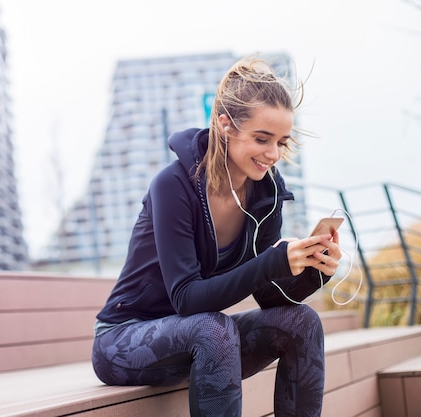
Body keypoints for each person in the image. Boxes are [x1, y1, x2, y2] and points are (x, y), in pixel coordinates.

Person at [91, 55, 342, 417]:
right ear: (225, 124)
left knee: (301, 321)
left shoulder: (266, 193)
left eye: (281, 142)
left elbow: (270, 297)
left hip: (202, 344)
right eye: (262, 138)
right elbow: (187, 300)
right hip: (124, 341)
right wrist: (272, 260)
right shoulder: (173, 186)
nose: (273, 154)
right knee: (214, 327)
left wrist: (314, 268)